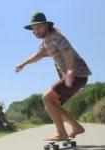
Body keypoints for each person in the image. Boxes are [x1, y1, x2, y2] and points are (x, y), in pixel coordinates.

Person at [15, 12, 92, 141]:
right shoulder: (46, 42)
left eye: (39, 27)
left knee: (46, 98)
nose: (36, 31)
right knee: (51, 105)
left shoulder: (56, 37)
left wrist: (69, 71)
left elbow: (67, 51)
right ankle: (76, 127)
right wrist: (24, 63)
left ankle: (62, 133)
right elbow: (39, 55)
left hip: (77, 74)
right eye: (34, 28)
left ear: (46, 25)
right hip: (77, 77)